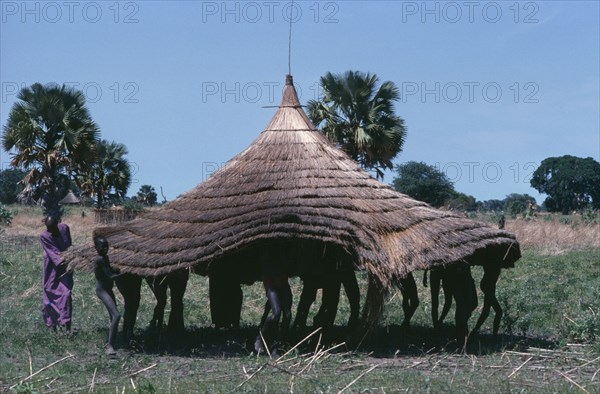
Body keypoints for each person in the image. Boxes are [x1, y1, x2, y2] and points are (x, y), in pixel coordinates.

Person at [39, 215, 73, 332]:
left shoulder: (64, 228)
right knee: (49, 292)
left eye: (53, 228)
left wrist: (71, 257)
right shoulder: (44, 236)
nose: (51, 231)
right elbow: (54, 254)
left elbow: (69, 245)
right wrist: (66, 257)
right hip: (51, 267)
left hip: (65, 267)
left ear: (57, 224)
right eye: (49, 228)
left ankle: (66, 324)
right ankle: (52, 325)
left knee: (66, 294)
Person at [93, 236, 121, 355]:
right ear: (96, 248)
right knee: (116, 315)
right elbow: (109, 275)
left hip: (108, 289)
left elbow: (109, 271)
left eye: (106, 246)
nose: (105, 249)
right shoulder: (100, 259)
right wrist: (124, 273)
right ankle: (110, 346)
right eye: (102, 247)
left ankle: (114, 342)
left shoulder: (105, 257)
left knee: (113, 316)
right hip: (102, 290)